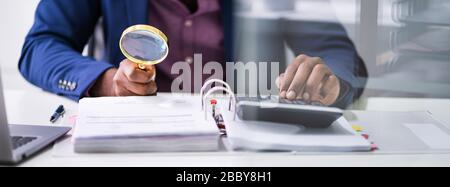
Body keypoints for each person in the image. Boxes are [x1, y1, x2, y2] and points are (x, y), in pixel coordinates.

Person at [19, 0, 367, 108]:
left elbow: (338, 53)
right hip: (136, 138)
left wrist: (331, 83)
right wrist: (105, 82)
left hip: (248, 148)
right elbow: (41, 46)